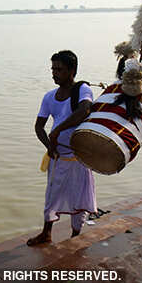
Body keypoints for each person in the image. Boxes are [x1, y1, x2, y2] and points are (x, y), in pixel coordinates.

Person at [27, 50, 97, 246]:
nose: (54, 73)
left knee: (79, 196)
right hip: (58, 156)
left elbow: (84, 110)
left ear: (72, 70)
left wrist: (58, 130)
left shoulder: (82, 90)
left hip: (79, 157)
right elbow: (39, 126)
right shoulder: (49, 97)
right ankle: (46, 232)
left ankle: (76, 234)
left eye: (59, 69)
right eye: (53, 69)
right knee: (52, 195)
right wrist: (49, 145)